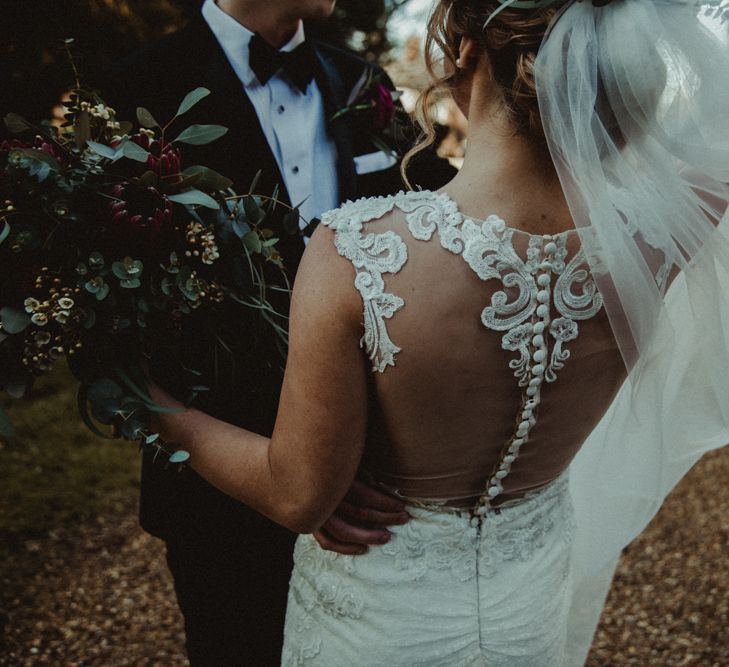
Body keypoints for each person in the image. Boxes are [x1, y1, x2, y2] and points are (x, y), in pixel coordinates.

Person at [152, 0, 729, 664]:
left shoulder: (355, 251)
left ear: (463, 52)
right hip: (528, 617)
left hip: (378, 625)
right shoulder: (659, 237)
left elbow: (298, 494)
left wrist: (152, 403)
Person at [108, 1, 456, 664]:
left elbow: (448, 206)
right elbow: (117, 323)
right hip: (221, 490)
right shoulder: (135, 88)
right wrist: (295, 474)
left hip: (369, 482)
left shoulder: (359, 80)